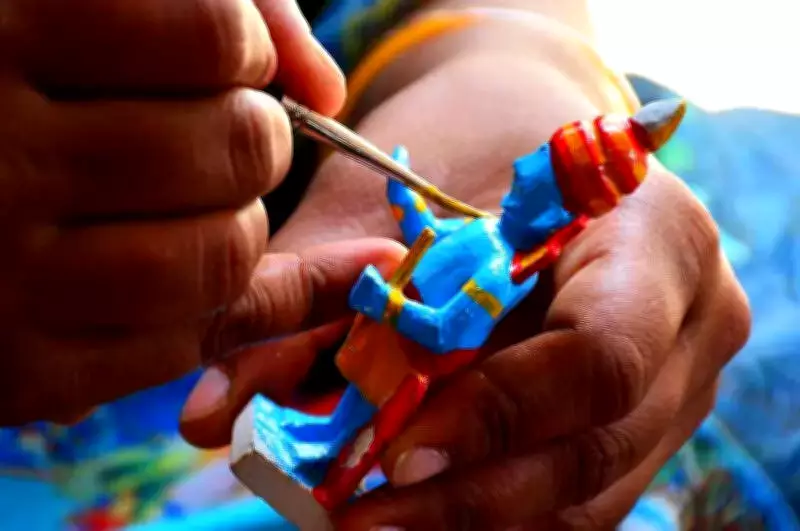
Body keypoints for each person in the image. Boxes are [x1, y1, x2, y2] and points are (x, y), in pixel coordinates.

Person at [0, 0, 759, 530]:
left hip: (406, 361)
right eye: (533, 162)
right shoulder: (487, 236)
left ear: (555, 206)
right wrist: (405, 205)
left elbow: (453, 327)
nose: (524, 170)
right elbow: (428, 233)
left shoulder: (503, 260)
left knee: (361, 424)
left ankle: (323, 468)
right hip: (357, 341)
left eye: (538, 170)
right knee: (345, 412)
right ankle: (313, 451)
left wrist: (506, 58)